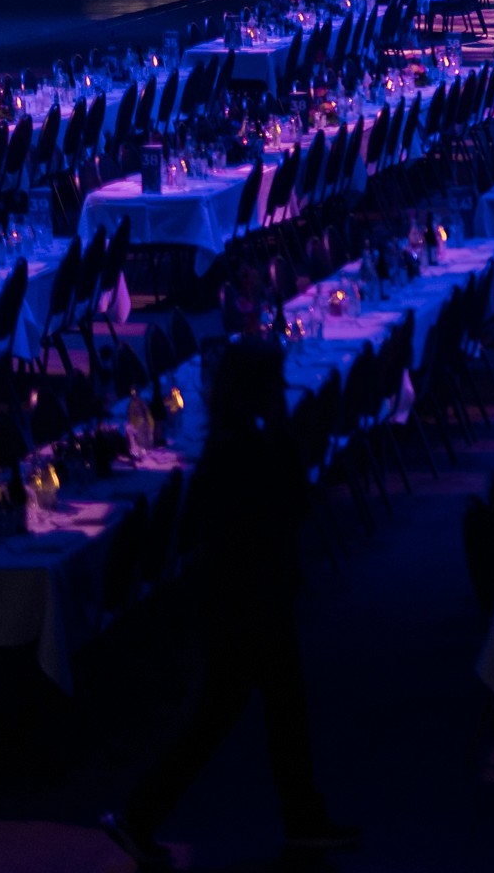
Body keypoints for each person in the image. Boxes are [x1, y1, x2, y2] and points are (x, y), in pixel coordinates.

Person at [104, 338, 353, 868]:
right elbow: (295, 506)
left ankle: (146, 815)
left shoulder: (222, 446)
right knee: (255, 712)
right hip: (254, 598)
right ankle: (144, 814)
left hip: (228, 595)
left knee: (244, 712)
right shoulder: (264, 449)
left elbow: (194, 524)